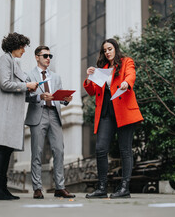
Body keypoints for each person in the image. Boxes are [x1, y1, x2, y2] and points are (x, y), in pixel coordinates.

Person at [0, 32, 38, 200]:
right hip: (3, 112)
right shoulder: (5, 59)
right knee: (2, 148)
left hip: (9, 112)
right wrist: (27, 85)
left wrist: (31, 89)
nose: (24, 51)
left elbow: (18, 87)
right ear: (15, 46)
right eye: (22, 47)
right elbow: (5, 84)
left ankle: (1, 188)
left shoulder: (13, 62)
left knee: (6, 150)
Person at [83, 38, 143, 199]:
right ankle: (102, 188)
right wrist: (89, 78)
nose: (107, 52)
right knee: (100, 149)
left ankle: (125, 188)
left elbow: (131, 75)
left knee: (125, 150)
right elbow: (92, 91)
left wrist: (126, 83)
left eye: (110, 49)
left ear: (115, 49)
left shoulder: (126, 62)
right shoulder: (101, 69)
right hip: (106, 113)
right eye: (105, 50)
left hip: (124, 112)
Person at [25, 45, 76, 199]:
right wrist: (40, 97)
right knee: (37, 152)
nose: (48, 59)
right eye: (45, 56)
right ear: (37, 57)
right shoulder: (29, 76)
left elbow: (59, 99)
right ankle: (37, 188)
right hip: (38, 115)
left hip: (54, 115)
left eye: (50, 56)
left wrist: (66, 100)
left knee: (59, 150)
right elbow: (25, 96)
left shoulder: (56, 77)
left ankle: (60, 187)